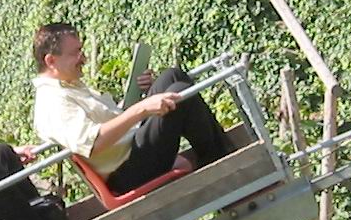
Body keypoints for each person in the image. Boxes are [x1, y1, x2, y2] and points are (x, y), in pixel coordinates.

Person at [29, 23, 234, 192]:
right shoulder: (52, 102)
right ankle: (224, 166)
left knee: (172, 77)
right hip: (127, 171)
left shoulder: (68, 85)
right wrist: (142, 109)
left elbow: (111, 120)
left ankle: (219, 156)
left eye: (82, 50)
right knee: (180, 94)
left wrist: (146, 94)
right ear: (51, 61)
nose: (83, 58)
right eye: (75, 53)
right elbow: (93, 143)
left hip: (131, 147)